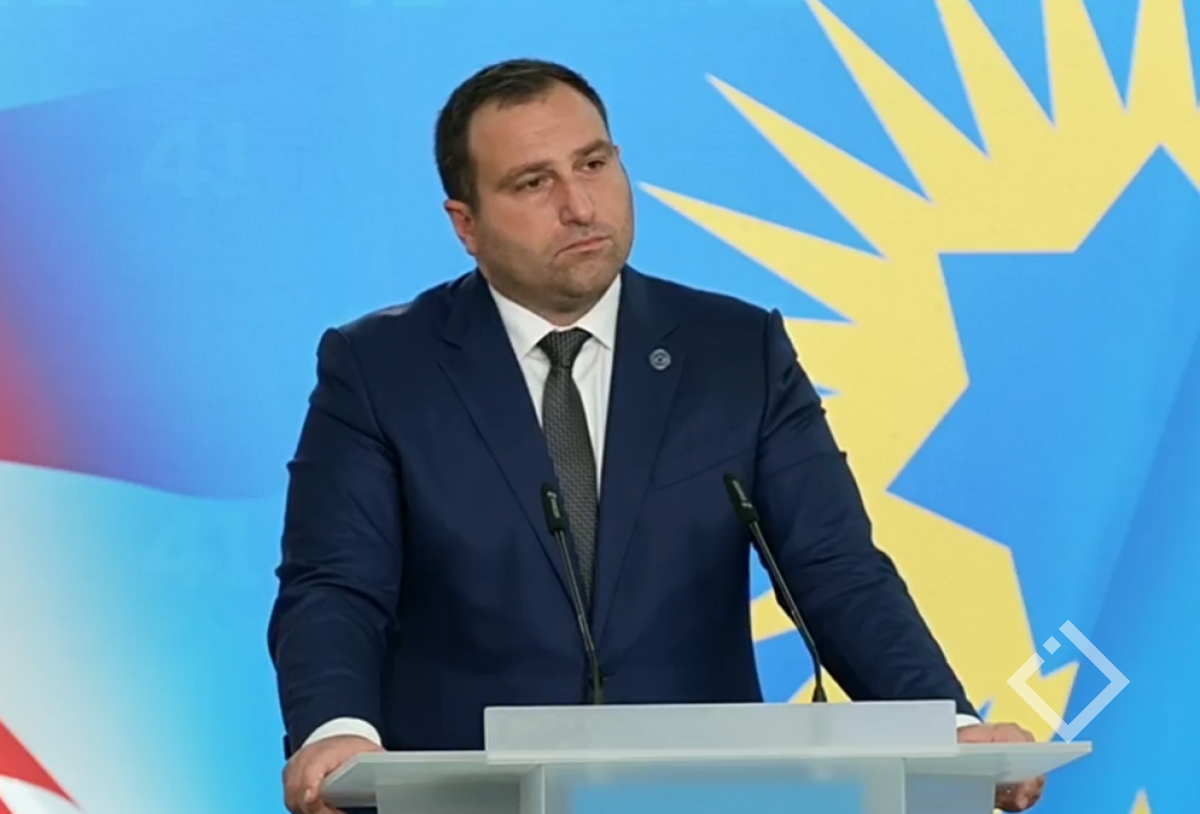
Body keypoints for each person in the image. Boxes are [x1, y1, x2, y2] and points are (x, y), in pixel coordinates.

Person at [268, 58, 1044, 814]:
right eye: (534, 183)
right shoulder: (380, 369)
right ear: (465, 225)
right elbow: (335, 583)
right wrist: (336, 729)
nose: (580, 206)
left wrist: (950, 727)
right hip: (468, 797)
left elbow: (834, 568)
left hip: (696, 795)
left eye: (594, 164)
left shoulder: (737, 352)